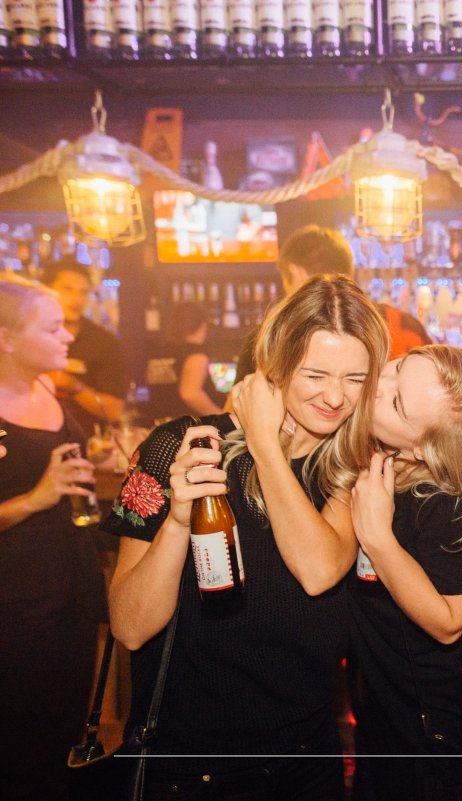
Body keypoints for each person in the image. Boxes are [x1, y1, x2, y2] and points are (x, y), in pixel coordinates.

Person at [102, 275, 388, 800]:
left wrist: (264, 444)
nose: (335, 397)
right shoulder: (178, 447)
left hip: (306, 760)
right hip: (191, 766)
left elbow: (318, 570)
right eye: (316, 374)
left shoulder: (350, 464)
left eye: (355, 379)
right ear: (275, 364)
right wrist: (179, 523)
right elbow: (130, 628)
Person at [346, 345, 462, 801]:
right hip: (381, 692)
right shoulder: (382, 461)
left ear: (423, 449)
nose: (378, 384)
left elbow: (448, 623)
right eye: (398, 366)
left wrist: (378, 538)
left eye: (396, 402)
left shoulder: (453, 502)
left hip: (437, 708)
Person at [0, 275, 105, 801]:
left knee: (63, 727)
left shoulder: (46, 387)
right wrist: (35, 499)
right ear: (7, 339)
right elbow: (37, 489)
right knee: (19, 737)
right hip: (15, 603)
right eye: (53, 327)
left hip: (71, 590)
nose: (68, 336)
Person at [235, 225, 357, 381]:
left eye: (285, 282)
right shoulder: (371, 328)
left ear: (295, 271)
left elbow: (241, 394)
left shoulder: (270, 337)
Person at [42, 260, 127, 431]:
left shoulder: (104, 343)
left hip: (87, 440)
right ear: (46, 291)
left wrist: (71, 384)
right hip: (33, 436)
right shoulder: (28, 336)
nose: (76, 299)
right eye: (67, 289)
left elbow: (114, 411)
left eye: (83, 292)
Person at [143, 302, 224, 422]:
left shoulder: (158, 353)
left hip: (159, 425)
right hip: (187, 427)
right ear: (202, 325)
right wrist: (221, 418)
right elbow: (190, 394)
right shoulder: (196, 353)